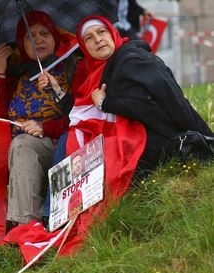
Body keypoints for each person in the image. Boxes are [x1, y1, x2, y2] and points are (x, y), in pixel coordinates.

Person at [71, 16, 213, 178]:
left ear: (112, 33)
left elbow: (154, 102)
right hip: (158, 134)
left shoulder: (130, 59)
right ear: (84, 46)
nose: (98, 39)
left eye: (101, 31)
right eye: (89, 38)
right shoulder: (108, 67)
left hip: (166, 137)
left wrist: (105, 103)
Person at [0, 11, 74, 228]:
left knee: (23, 143)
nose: (38, 40)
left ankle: (22, 226)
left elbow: (79, 116)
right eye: (30, 36)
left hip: (60, 147)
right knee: (19, 145)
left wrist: (44, 127)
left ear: (55, 37)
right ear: (21, 44)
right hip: (17, 152)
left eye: (44, 33)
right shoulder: (18, 75)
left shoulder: (71, 67)